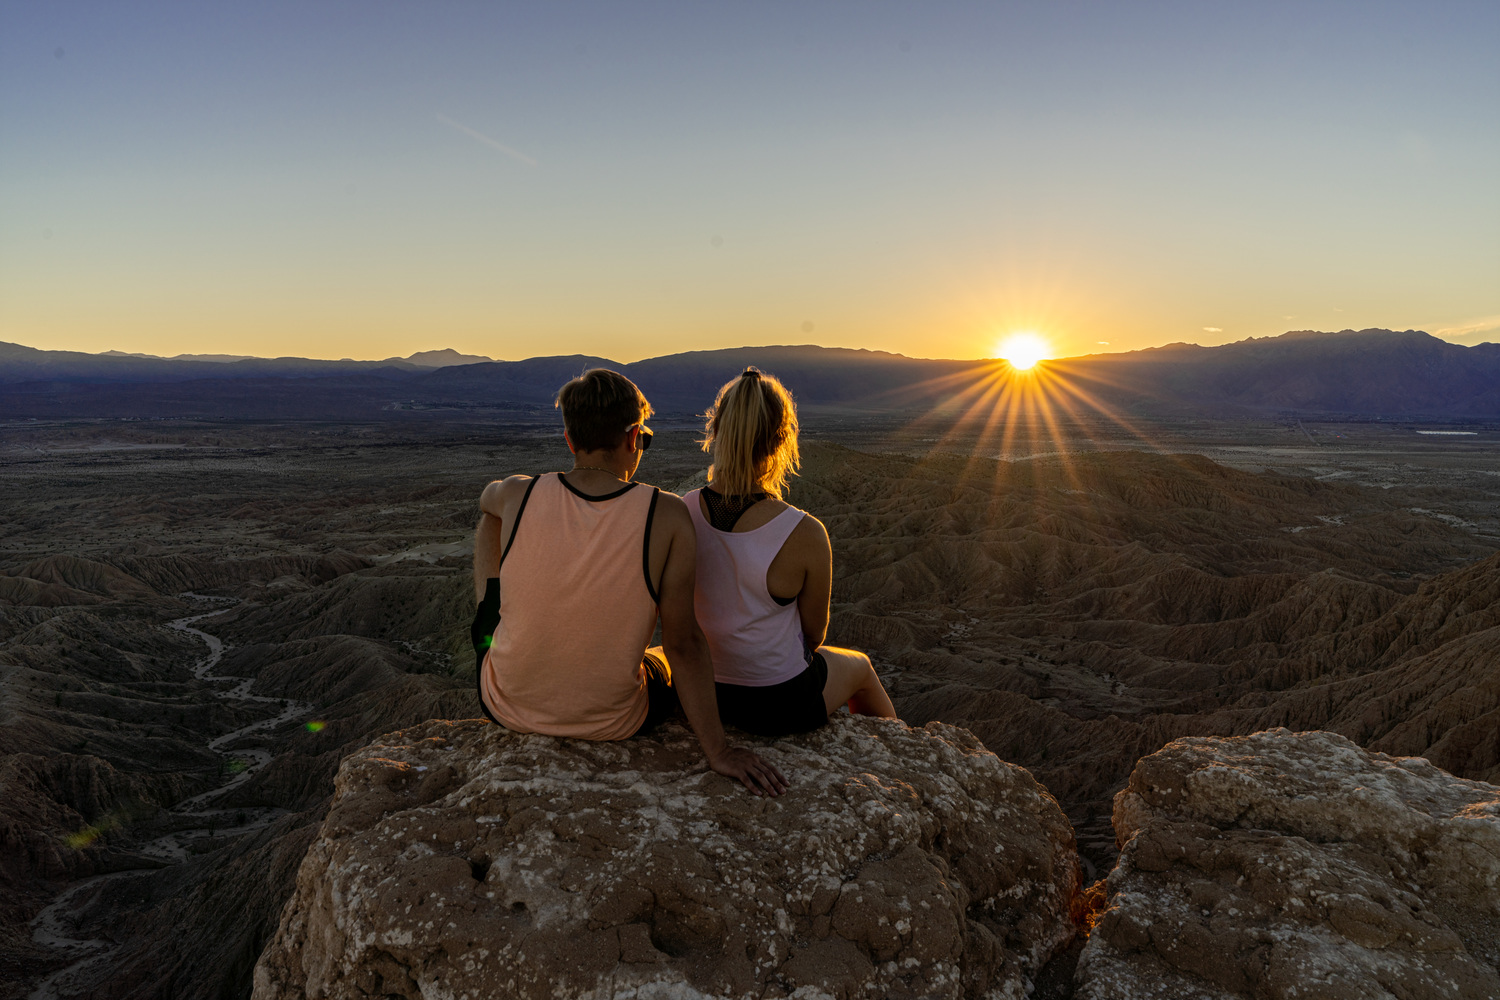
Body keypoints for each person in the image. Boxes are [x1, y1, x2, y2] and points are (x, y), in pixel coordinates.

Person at [469, 368, 786, 796]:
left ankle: (487, 628)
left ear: (569, 440)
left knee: (488, 526)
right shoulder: (667, 515)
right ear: (633, 437)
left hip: (502, 704)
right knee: (661, 659)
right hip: (614, 723)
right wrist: (719, 751)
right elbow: (684, 643)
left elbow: (487, 506)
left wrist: (495, 603)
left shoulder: (516, 493)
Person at [683, 368, 898, 738]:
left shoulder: (679, 512)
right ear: (781, 441)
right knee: (861, 667)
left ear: (716, 430)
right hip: (779, 702)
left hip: (702, 693)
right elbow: (813, 634)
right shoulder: (803, 532)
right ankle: (895, 760)